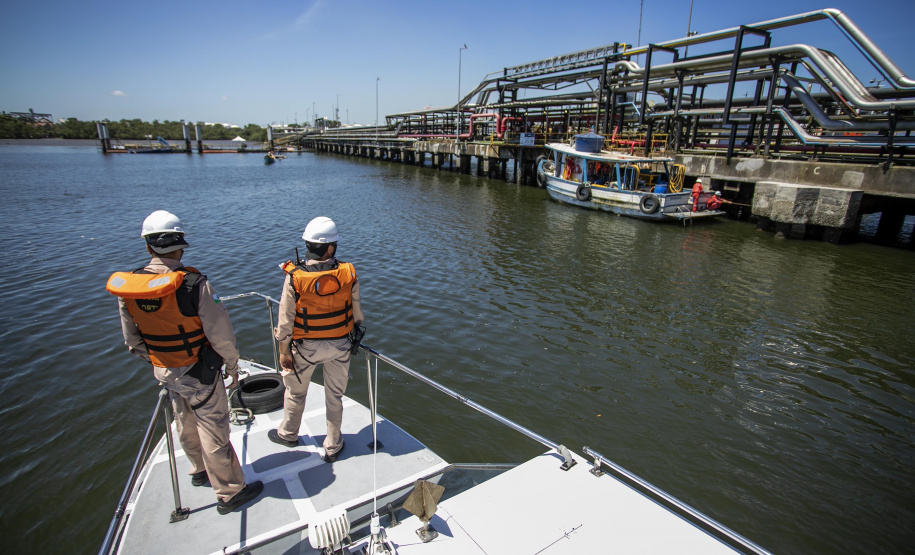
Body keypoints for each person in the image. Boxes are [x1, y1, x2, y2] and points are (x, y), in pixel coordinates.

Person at [106, 210, 263, 515]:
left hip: (165, 370)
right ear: (180, 246)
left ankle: (198, 470)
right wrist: (232, 367)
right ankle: (230, 492)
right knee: (213, 426)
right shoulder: (194, 285)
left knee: (184, 421)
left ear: (148, 247)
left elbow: (132, 341)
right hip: (200, 371)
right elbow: (221, 335)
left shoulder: (130, 288)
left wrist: (160, 360)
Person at [272, 216, 364, 463]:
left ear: (308, 245)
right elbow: (358, 315)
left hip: (304, 348)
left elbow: (285, 321)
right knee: (334, 396)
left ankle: (289, 433)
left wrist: (284, 351)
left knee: (295, 392)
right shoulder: (348, 272)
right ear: (331, 248)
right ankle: (333, 444)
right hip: (340, 344)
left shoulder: (294, 276)